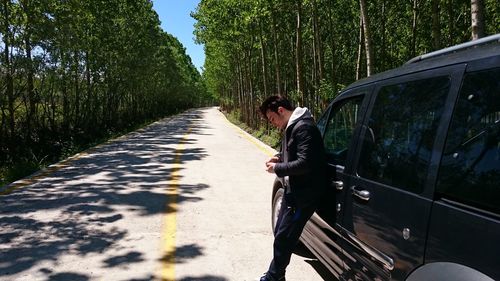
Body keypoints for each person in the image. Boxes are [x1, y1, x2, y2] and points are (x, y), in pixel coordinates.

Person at [258, 95, 327, 281]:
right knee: (281, 234)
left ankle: (274, 277)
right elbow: (293, 152)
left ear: (281, 110)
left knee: (284, 239)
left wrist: (277, 168)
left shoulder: (304, 127)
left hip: (303, 196)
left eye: (272, 118)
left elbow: (306, 163)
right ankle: (275, 275)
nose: (272, 124)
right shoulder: (292, 126)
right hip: (292, 193)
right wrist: (279, 157)